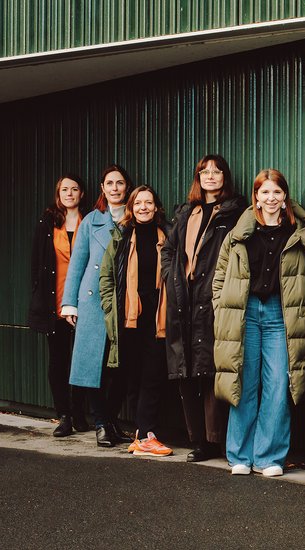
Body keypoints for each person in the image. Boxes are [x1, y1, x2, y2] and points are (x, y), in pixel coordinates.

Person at [212, 169, 305, 477]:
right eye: (265, 192)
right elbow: (220, 276)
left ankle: (270, 457)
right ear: (256, 196)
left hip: (279, 315)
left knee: (278, 387)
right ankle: (240, 455)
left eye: (277, 192)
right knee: (243, 384)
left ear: (285, 196)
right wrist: (222, 309)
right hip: (244, 313)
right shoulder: (240, 233)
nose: (271, 198)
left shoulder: (298, 233)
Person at [162, 155, 245, 462]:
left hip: (214, 298)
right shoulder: (186, 212)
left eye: (217, 171)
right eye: (204, 171)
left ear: (225, 176)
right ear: (198, 177)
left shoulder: (235, 211)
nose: (211, 176)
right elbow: (169, 250)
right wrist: (171, 279)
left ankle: (214, 440)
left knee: (212, 368)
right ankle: (197, 439)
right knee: (185, 369)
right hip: (183, 298)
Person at [61, 164, 134, 448]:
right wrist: (70, 303)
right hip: (93, 301)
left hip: (124, 301)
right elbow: (77, 263)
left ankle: (111, 420)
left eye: (119, 183)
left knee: (121, 368)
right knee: (94, 365)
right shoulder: (91, 220)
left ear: (126, 187)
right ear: (102, 188)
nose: (115, 188)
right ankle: (102, 424)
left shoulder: (134, 217)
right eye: (109, 184)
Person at [99, 185, 173, 456]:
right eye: (138, 203)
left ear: (156, 207)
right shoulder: (120, 236)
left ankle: (145, 435)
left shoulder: (166, 234)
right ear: (131, 207)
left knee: (153, 375)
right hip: (128, 315)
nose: (143, 207)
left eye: (149, 203)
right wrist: (111, 309)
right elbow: (106, 277)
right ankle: (143, 434)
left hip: (158, 314)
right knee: (132, 376)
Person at [29, 174, 89, 437]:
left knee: (82, 360)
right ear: (58, 194)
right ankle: (64, 415)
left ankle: (79, 412)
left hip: (84, 303)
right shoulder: (48, 223)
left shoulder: (90, 222)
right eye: (64, 189)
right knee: (59, 360)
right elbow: (36, 263)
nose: (69, 193)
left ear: (82, 194)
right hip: (56, 304)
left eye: (74, 189)